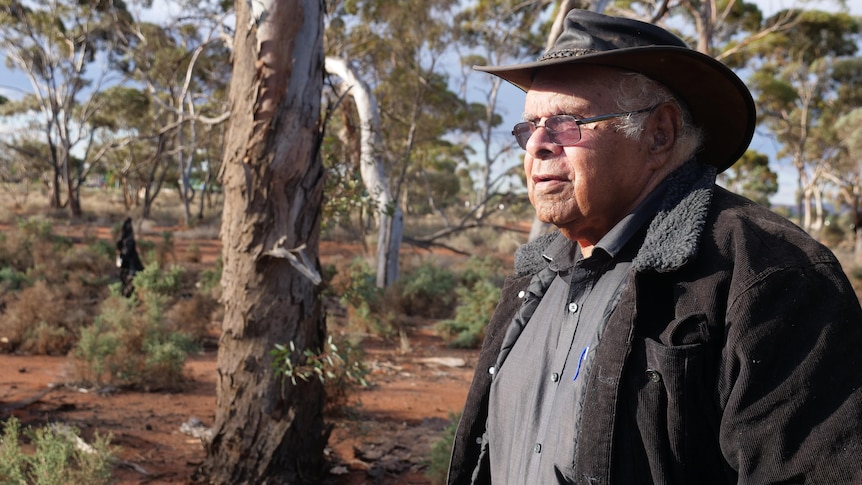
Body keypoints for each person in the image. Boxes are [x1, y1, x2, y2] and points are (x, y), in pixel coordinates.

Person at [447, 9, 862, 485]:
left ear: (659, 134)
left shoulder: (767, 275)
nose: (537, 145)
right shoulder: (537, 278)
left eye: (565, 124)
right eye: (529, 127)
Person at [117, 217, 144, 297]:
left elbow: (123, 252)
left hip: (128, 266)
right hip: (131, 266)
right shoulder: (129, 240)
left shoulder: (124, 239)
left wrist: (121, 257)